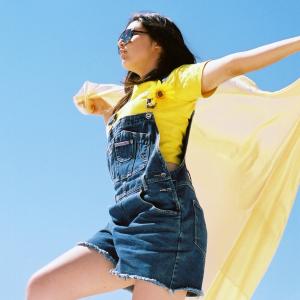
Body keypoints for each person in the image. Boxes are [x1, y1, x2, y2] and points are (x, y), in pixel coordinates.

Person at [26, 12, 300, 300]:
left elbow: (234, 65)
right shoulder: (125, 103)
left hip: (167, 227)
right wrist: (104, 113)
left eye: (129, 35)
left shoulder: (176, 84)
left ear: (158, 44)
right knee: (44, 287)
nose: (121, 42)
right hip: (124, 221)